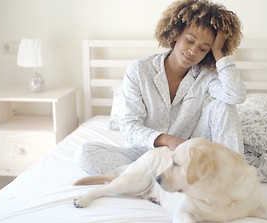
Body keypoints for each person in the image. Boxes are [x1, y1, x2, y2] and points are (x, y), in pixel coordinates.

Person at [76, 0, 246, 175]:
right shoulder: (139, 70)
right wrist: (167, 140)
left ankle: (231, 175)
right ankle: (159, 179)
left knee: (224, 106)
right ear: (176, 34)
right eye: (189, 40)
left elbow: (235, 95)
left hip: (186, 153)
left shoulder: (205, 75)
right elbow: (128, 126)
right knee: (85, 153)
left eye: (203, 49)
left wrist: (218, 52)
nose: (193, 51)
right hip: (142, 153)